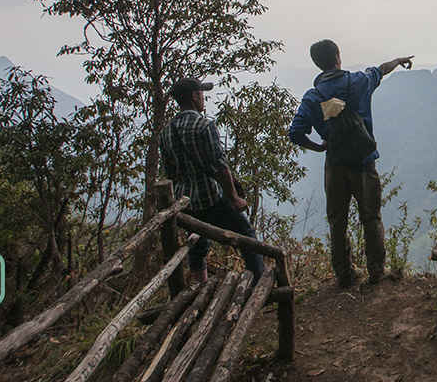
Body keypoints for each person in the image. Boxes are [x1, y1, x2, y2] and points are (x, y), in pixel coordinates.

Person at [288, 40, 413, 287]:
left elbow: (295, 132)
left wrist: (319, 146)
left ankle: (344, 274)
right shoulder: (357, 82)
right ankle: (377, 272)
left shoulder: (313, 96)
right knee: (371, 218)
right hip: (363, 164)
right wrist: (398, 61)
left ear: (317, 63)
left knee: (337, 221)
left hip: (334, 165)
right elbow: (380, 70)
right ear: (337, 57)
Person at [160, 77, 265, 285]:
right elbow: (219, 166)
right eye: (201, 93)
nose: (203, 98)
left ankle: (200, 285)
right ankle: (259, 283)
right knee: (246, 236)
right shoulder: (204, 125)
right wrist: (234, 198)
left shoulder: (166, 132)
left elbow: (170, 172)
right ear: (194, 96)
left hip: (186, 200)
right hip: (210, 197)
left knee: (197, 244)